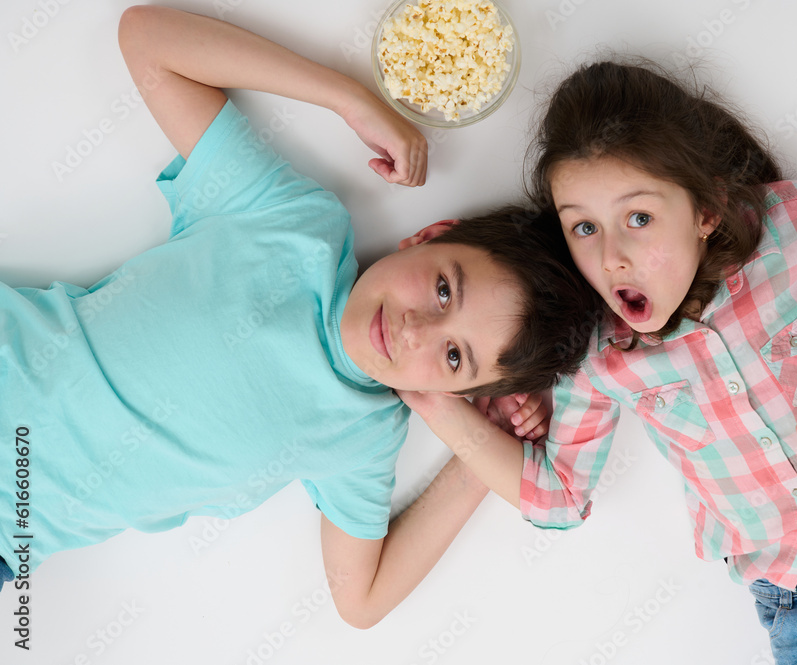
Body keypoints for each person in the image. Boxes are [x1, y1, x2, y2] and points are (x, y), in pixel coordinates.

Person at [0, 6, 597, 630]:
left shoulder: (364, 435)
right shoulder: (292, 222)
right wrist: (347, 98)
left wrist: (479, 448)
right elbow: (147, 39)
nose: (415, 330)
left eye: (453, 357)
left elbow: (360, 602)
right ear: (430, 235)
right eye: (444, 290)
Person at [401, 60, 797, 661]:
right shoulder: (598, 354)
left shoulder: (793, 231)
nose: (612, 258)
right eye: (583, 228)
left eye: (639, 218)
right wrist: (428, 399)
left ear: (706, 210)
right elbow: (557, 498)